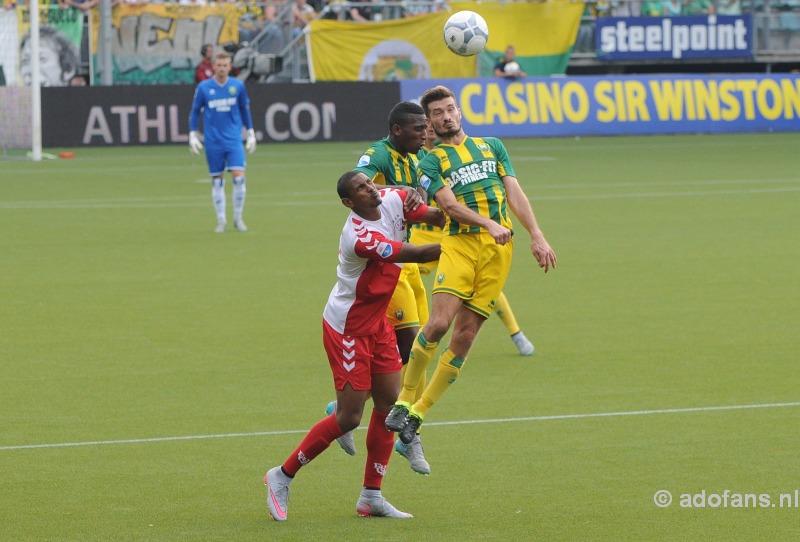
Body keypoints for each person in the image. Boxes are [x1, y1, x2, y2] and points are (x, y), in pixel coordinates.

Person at [264, 171, 444, 522]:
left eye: (369, 183)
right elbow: (419, 253)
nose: (370, 188)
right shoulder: (360, 237)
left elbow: (426, 212)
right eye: (361, 189)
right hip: (348, 328)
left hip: (377, 322)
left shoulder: (390, 198)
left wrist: (451, 214)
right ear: (349, 203)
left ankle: (371, 495)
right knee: (349, 417)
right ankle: (281, 476)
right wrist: (464, 245)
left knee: (389, 404)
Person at [385, 85, 557, 448]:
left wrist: (536, 234)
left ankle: (418, 413)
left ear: (459, 112)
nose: (445, 116)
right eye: (437, 113)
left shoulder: (492, 146)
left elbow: (514, 192)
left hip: (498, 252)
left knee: (464, 338)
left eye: (450, 109)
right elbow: (447, 205)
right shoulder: (430, 162)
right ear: (429, 123)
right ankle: (403, 400)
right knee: (438, 324)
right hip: (460, 244)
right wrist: (488, 223)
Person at [326, 102, 434, 476]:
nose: (426, 133)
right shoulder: (378, 154)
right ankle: (407, 433)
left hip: (405, 267)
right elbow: (362, 184)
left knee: (414, 353)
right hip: (388, 266)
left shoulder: (417, 155)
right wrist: (403, 190)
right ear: (398, 129)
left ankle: (344, 408)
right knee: (413, 349)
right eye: (419, 128)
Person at [412, 123, 536, 357]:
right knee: (407, 276)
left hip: (465, 230)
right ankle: (416, 331)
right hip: (425, 230)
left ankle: (516, 333)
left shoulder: (457, 153)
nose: (428, 129)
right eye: (424, 125)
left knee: (482, 284)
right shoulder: (419, 158)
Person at [188, 51, 256, 233]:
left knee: (239, 178)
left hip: (233, 140)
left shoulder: (238, 86)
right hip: (213, 142)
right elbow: (195, 111)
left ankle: (238, 218)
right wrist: (192, 135)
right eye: (219, 65)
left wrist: (250, 133)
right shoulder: (203, 87)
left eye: (225, 65)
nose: (222, 68)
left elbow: (244, 110)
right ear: (214, 66)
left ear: (230, 66)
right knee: (217, 181)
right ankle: (221, 220)